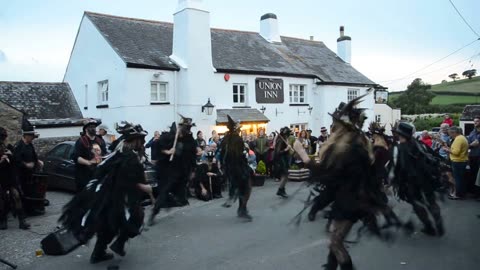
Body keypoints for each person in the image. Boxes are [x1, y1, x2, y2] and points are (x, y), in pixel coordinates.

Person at [294, 97, 400, 270]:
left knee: (335, 242)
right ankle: (331, 265)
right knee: (334, 237)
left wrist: (304, 156)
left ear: (343, 127)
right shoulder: (348, 145)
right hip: (348, 197)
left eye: (335, 122)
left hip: (353, 201)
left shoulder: (352, 149)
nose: (332, 126)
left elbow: (330, 175)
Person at [59, 122, 152, 264]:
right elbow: (125, 180)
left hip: (108, 197)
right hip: (116, 198)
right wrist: (145, 188)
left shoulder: (119, 153)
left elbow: (106, 171)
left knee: (110, 225)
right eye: (141, 139)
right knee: (134, 219)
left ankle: (100, 252)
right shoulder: (128, 158)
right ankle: (117, 244)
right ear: (136, 140)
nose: (143, 142)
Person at [390, 122, 444, 236]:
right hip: (426, 179)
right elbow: (433, 157)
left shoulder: (398, 149)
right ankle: (439, 224)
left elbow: (396, 168)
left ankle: (429, 227)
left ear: (400, 134)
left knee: (417, 204)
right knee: (431, 202)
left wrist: (393, 181)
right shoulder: (420, 144)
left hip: (410, 182)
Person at [149, 116, 197, 225]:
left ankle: (169, 201)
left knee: (179, 195)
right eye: (183, 128)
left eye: (187, 129)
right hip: (167, 169)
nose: (185, 131)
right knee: (164, 190)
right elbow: (157, 146)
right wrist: (168, 151)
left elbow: (192, 156)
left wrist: (192, 171)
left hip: (180, 171)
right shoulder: (168, 137)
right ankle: (154, 213)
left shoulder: (190, 141)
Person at [220, 115, 253, 221]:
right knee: (247, 187)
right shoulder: (237, 139)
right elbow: (238, 155)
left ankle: (240, 206)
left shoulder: (226, 138)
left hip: (230, 167)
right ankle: (242, 209)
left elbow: (222, 154)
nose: (240, 130)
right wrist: (245, 151)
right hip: (239, 167)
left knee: (241, 187)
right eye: (239, 129)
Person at [0, 127, 30, 230]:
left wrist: (11, 155)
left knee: (16, 196)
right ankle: (3, 221)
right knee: (3, 199)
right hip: (1, 176)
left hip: (10, 176)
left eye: (4, 137)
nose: (3, 140)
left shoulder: (8, 147)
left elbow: (17, 160)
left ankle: (22, 221)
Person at [73, 119, 104, 192]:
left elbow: (104, 154)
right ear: (86, 129)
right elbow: (76, 157)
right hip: (84, 175)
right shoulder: (81, 141)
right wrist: (88, 162)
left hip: (97, 174)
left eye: (94, 127)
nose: (93, 128)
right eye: (91, 127)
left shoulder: (100, 141)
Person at [443, 126, 469, 199]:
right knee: (460, 179)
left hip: (458, 161)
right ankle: (461, 194)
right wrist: (449, 148)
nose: (449, 135)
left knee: (458, 179)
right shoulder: (462, 138)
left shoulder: (458, 139)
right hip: (461, 160)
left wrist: (447, 150)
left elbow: (456, 152)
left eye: (450, 134)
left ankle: (458, 195)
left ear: (453, 132)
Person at [273, 127, 292, 198]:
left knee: (285, 175)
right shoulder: (280, 140)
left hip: (284, 159)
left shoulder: (285, 139)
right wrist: (286, 149)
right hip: (281, 160)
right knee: (285, 174)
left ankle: (282, 189)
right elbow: (278, 152)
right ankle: (280, 190)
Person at [467, 116, 480, 196]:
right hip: (473, 156)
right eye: (474, 121)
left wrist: (470, 145)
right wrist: (470, 145)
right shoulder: (472, 132)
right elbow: (470, 143)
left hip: (479, 155)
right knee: (473, 174)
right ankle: (474, 192)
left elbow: (476, 143)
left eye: (477, 121)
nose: (475, 123)